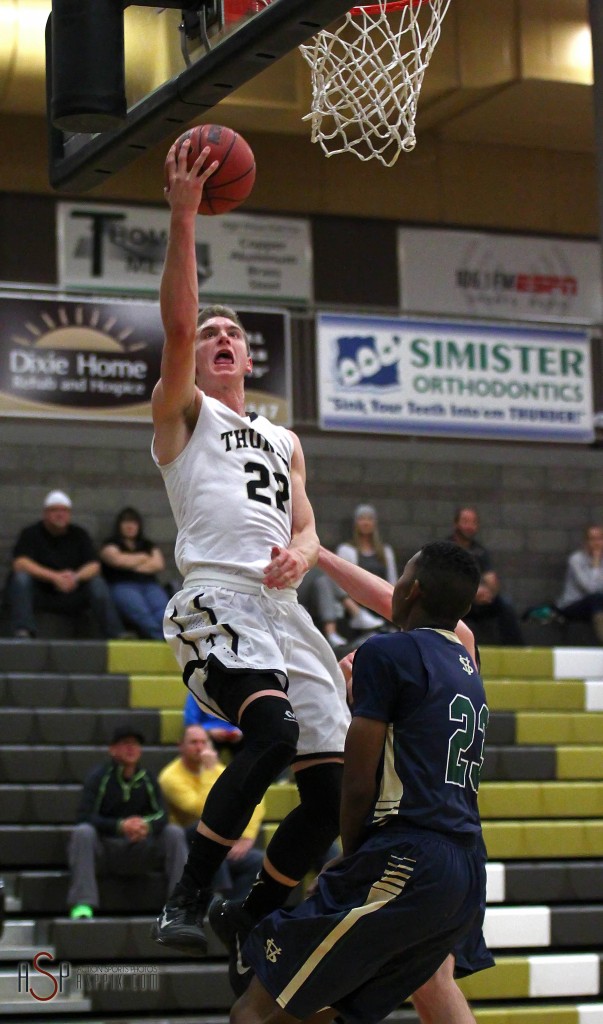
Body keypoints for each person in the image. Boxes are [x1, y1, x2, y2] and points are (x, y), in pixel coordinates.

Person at [149, 139, 349, 959]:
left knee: (336, 797)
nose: (222, 336)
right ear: (194, 358)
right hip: (216, 598)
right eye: (211, 332)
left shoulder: (284, 437)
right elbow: (177, 319)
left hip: (283, 610)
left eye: (234, 332)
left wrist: (302, 553)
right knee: (265, 738)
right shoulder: (183, 414)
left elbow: (303, 523)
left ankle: (252, 909)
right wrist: (185, 217)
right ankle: (193, 889)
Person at [229, 541, 489, 1024]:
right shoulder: (464, 654)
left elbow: (357, 779)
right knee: (402, 985)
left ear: (412, 588)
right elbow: (403, 599)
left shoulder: (387, 653)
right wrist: (319, 554)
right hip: (466, 863)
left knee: (259, 1008)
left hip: (409, 853)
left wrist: (351, 861)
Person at [67, 725, 188, 920]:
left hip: (140, 847)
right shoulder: (99, 777)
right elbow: (85, 815)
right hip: (107, 849)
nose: (131, 749)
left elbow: (162, 815)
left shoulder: (148, 778)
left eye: (135, 744)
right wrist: (121, 826)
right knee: (83, 832)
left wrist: (144, 826)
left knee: (174, 832)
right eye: (125, 744)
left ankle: (180, 905)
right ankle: (83, 903)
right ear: (112, 749)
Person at [159, 725, 264, 901]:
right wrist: (208, 772)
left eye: (204, 742)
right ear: (181, 746)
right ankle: (217, 894)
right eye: (193, 742)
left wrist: (247, 837)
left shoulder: (218, 769)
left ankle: (233, 910)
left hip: (220, 839)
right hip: (185, 842)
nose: (200, 747)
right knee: (208, 830)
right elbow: (204, 810)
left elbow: (254, 800)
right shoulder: (170, 777)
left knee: (257, 860)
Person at [8, 490, 123, 639]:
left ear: (69, 514)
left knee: (97, 583)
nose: (59, 514)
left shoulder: (79, 534)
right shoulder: (31, 533)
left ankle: (116, 634)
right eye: (54, 510)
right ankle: (24, 631)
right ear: (45, 513)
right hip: (41, 593)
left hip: (72, 592)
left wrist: (75, 577)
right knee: (21, 579)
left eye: (64, 510)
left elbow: (94, 566)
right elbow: (20, 563)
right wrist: (54, 577)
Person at [448, 506, 524, 646]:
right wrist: (472, 593)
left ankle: (517, 650)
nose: (470, 526)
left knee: (505, 605)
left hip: (476, 602)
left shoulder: (479, 551)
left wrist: (489, 592)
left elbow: (490, 578)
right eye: (465, 521)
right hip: (454, 602)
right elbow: (446, 581)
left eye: (473, 522)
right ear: (456, 524)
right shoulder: (446, 548)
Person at [100, 506, 168, 639]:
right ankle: (161, 640)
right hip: (122, 585)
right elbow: (117, 560)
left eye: (134, 522)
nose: (130, 526)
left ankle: (169, 640)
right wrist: (143, 558)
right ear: (119, 525)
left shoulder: (147, 544)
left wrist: (129, 562)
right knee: (142, 614)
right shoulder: (111, 544)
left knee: (164, 613)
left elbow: (158, 565)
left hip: (150, 586)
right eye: (126, 522)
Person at [335, 503, 398, 634]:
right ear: (355, 523)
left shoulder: (385, 551)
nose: (366, 523)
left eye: (369, 519)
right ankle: (360, 618)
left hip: (381, 600)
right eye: (362, 519)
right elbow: (342, 581)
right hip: (358, 601)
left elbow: (393, 580)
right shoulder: (346, 549)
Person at [556, 524, 603, 642]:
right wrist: (596, 564)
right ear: (586, 542)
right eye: (592, 539)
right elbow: (591, 589)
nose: (596, 543)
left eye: (600, 538)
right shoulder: (576, 560)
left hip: (597, 606)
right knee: (596, 598)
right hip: (573, 605)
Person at [295, 565, 347, 650]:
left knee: (322, 581)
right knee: (322, 570)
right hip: (290, 593)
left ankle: (331, 633)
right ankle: (355, 611)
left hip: (310, 596)